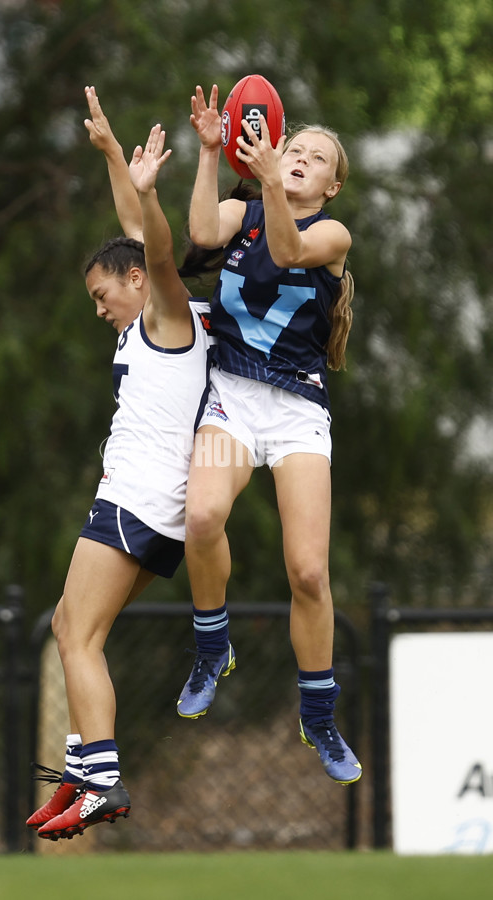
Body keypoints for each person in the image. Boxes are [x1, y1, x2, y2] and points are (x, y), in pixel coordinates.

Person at [26, 94, 214, 840]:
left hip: (139, 497)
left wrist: (146, 191)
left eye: (103, 294)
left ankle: (99, 775)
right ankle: (85, 769)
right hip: (150, 502)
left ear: (135, 283)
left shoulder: (167, 311)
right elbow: (138, 239)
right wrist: (111, 154)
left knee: (76, 635)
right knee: (73, 625)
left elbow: (152, 247)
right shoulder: (159, 314)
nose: (99, 308)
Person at [176, 83, 361, 785]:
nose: (301, 160)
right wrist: (208, 152)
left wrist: (268, 184)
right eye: (296, 151)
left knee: (309, 571)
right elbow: (198, 235)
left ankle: (318, 716)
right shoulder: (241, 208)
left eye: (315, 158)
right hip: (234, 393)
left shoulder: (331, 236)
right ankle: (211, 643)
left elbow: (285, 253)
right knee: (201, 518)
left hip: (296, 411)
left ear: (332, 184)